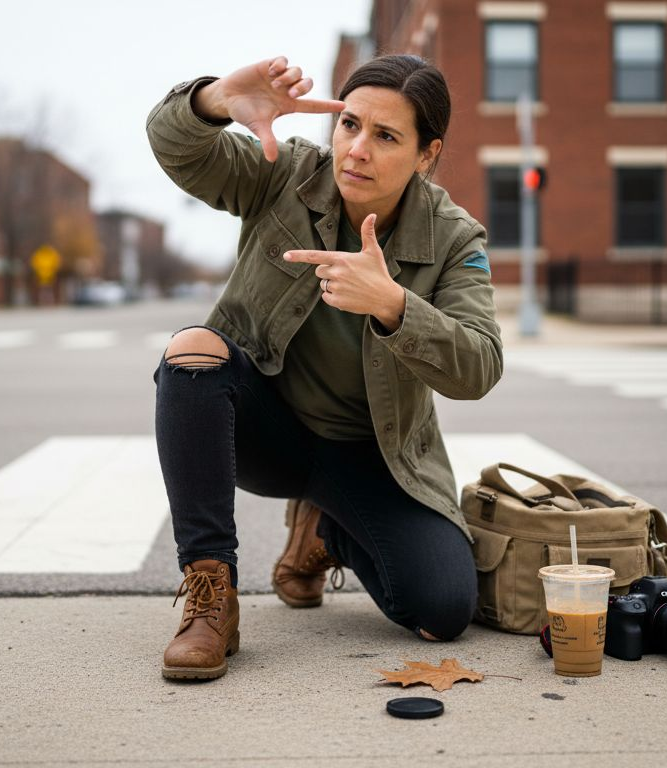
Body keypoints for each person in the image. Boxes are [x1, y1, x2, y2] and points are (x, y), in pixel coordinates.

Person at [147, 54, 503, 680]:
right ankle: (211, 593)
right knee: (192, 352)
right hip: (269, 434)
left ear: (426, 154)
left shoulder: (454, 239)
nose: (357, 150)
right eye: (350, 124)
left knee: (442, 610)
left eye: (385, 136)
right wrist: (214, 101)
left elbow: (480, 365)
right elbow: (179, 149)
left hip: (370, 455)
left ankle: (324, 529)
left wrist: (393, 305)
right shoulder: (285, 174)